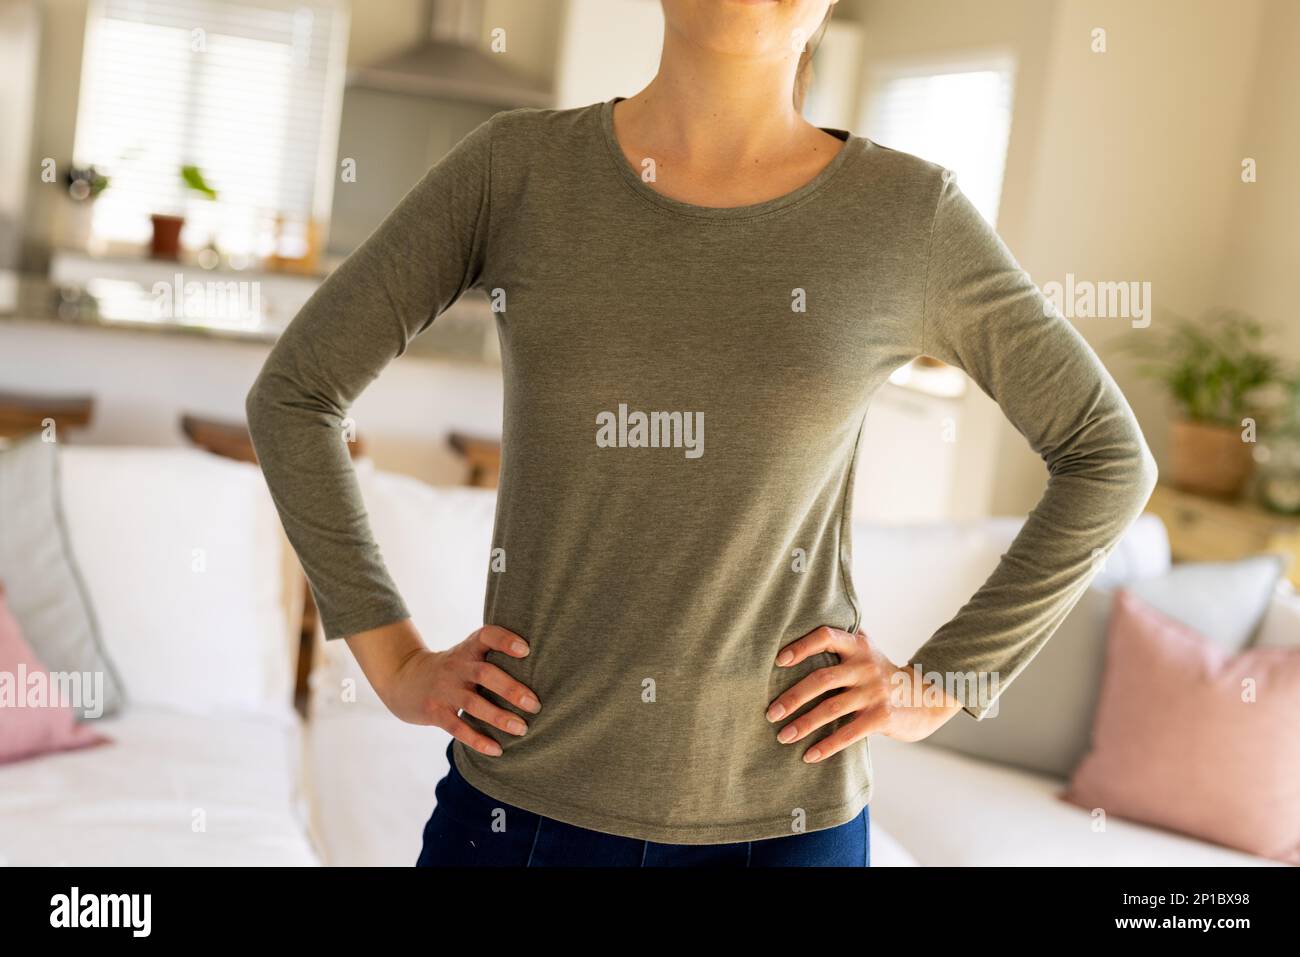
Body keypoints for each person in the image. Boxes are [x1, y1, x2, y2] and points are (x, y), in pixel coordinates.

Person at [246, 0, 1157, 868]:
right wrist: (395, 659)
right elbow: (296, 392)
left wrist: (948, 680)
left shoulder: (909, 217)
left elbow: (1107, 457)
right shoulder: (514, 170)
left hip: (789, 827)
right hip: (521, 816)